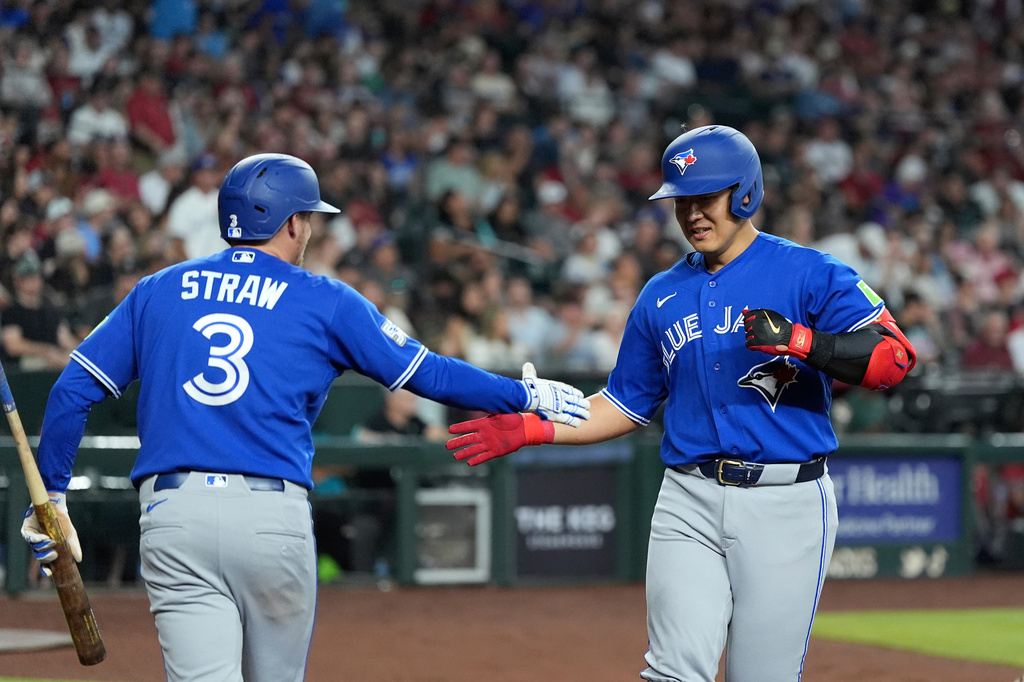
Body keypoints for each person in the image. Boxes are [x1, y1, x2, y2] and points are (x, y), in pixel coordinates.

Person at [19, 153, 590, 682]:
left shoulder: (157, 290)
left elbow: (70, 391)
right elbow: (431, 374)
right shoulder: (326, 299)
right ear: (291, 223)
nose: (311, 229)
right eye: (309, 218)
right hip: (270, 516)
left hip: (174, 516)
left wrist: (55, 500)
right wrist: (524, 395)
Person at [446, 125, 918, 682]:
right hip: (687, 498)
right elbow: (623, 405)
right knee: (671, 672)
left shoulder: (808, 272)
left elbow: (896, 358)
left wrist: (802, 342)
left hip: (786, 501)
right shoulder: (660, 294)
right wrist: (536, 429)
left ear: (744, 194)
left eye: (705, 197)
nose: (691, 213)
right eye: (680, 200)